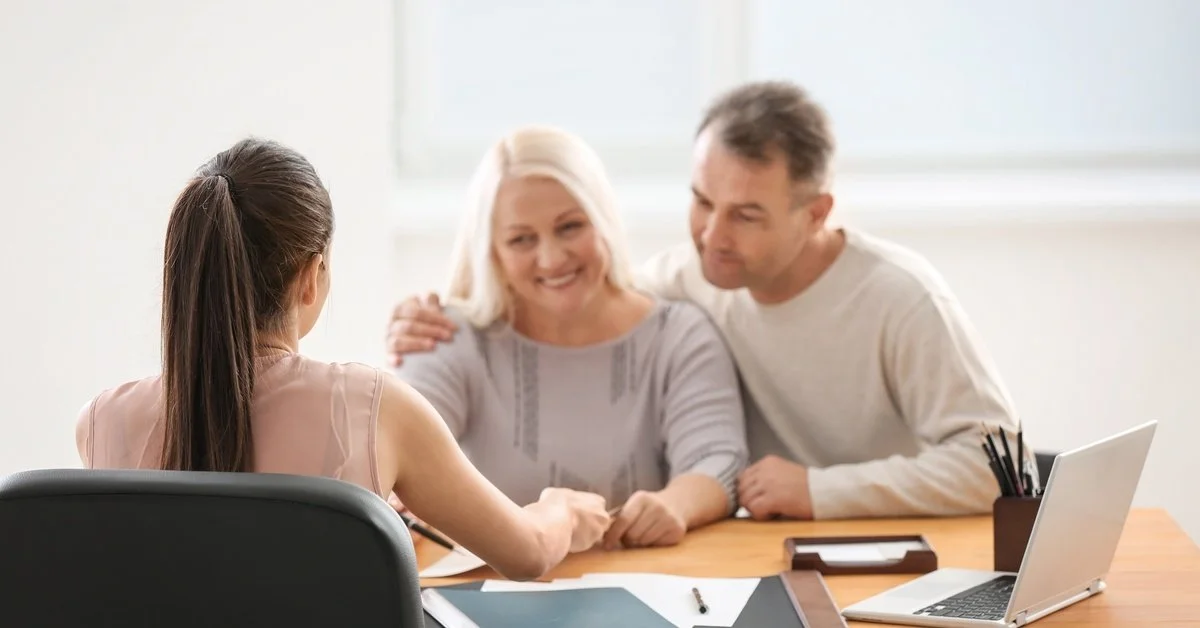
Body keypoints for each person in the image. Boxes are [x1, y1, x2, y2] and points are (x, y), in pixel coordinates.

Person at [386, 81, 1022, 521]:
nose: (712, 237)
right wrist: (423, 321)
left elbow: (1000, 468)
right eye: (701, 201)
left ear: (816, 212)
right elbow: (580, 297)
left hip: (891, 547)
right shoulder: (686, 282)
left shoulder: (900, 300)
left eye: (746, 214)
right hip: (767, 547)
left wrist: (820, 490)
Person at [75, 137, 611, 581]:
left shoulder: (100, 422)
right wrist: (560, 509)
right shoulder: (375, 409)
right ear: (312, 275)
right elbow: (527, 555)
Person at [388, 125, 748, 549]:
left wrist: (676, 505)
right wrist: (395, 494)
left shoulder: (679, 334)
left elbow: (717, 459)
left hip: (641, 580)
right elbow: (399, 451)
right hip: (490, 589)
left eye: (570, 227)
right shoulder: (449, 335)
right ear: (493, 252)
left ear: (603, 221)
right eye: (522, 239)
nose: (552, 258)